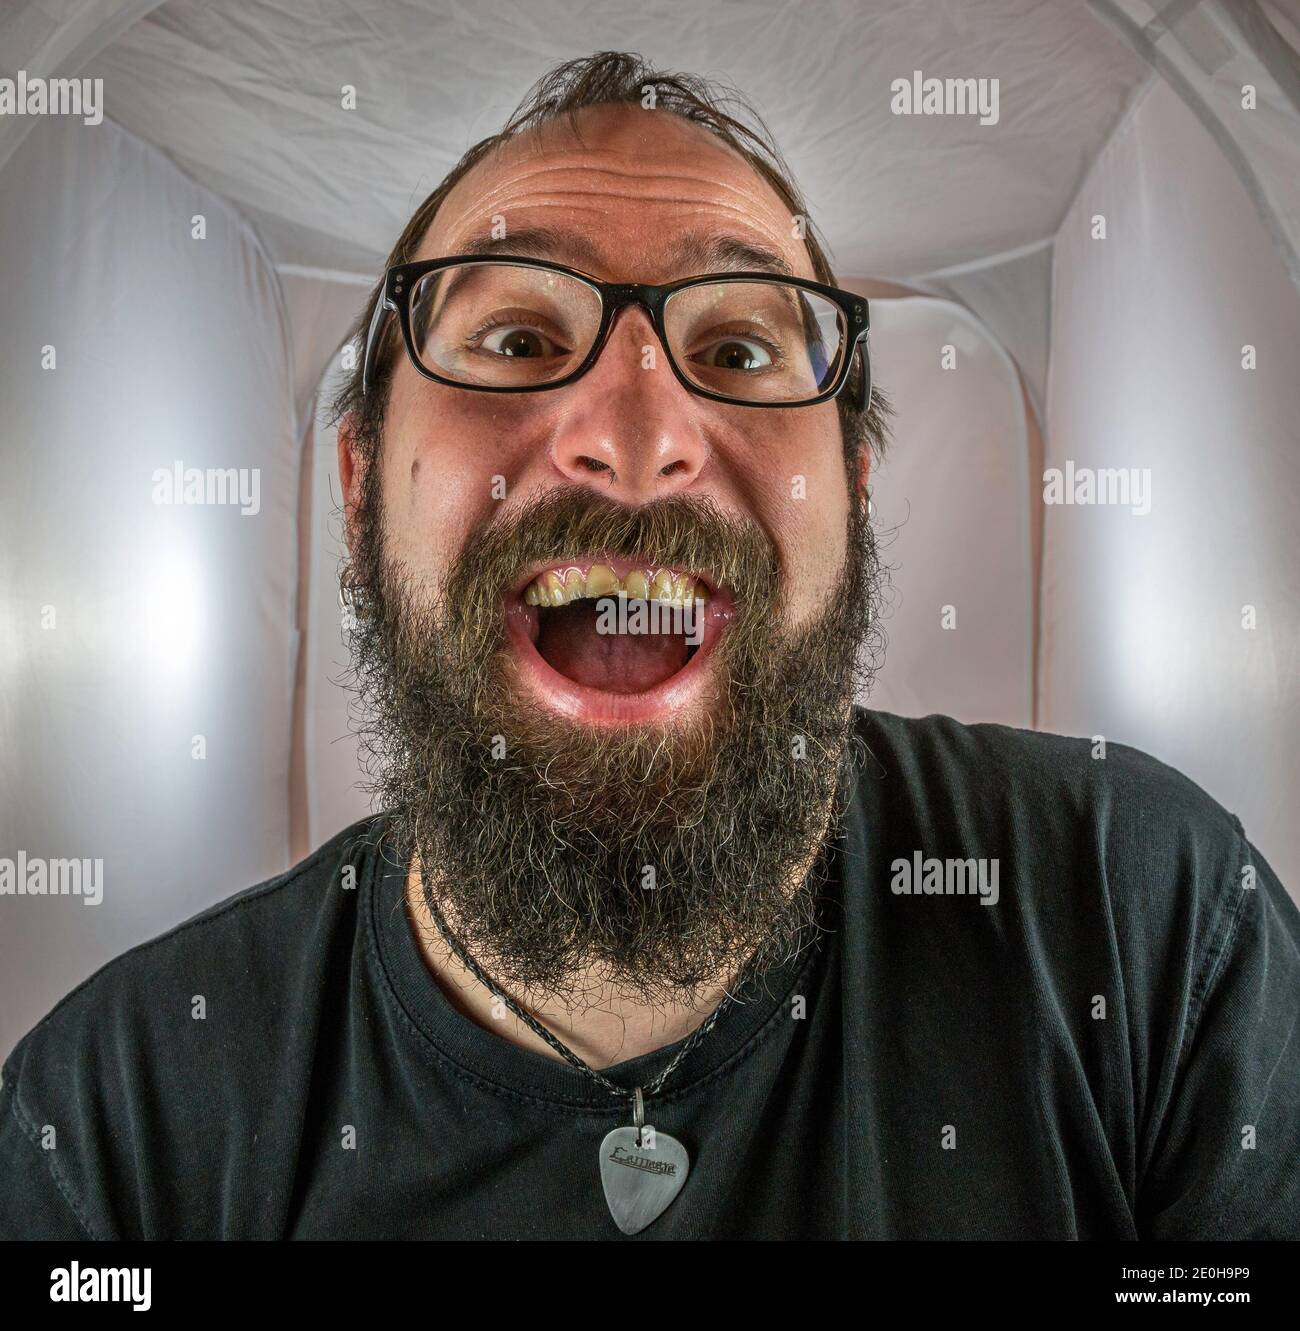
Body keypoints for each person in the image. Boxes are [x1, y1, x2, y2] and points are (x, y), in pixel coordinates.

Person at [2, 51, 1296, 1241]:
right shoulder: (115, 1128)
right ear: (357, 486)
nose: (632, 433)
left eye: (737, 348)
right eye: (516, 339)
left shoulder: (1157, 931)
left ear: (850, 489)